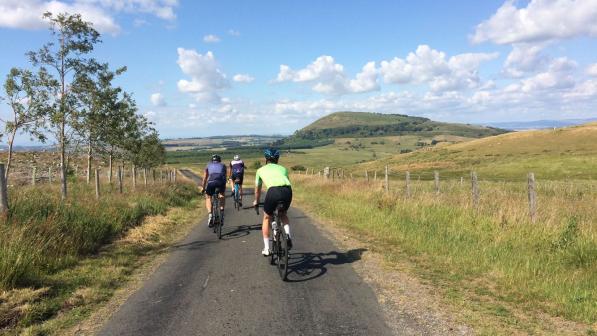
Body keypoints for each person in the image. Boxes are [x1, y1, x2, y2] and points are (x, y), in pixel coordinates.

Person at [253, 148, 293, 256]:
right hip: (287, 191)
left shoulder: (260, 170)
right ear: (277, 159)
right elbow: (286, 181)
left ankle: (267, 248)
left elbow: (257, 190)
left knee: (267, 217)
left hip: (273, 191)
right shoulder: (283, 168)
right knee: (283, 214)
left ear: (266, 159)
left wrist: (256, 201)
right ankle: (288, 236)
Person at [201, 154, 227, 227]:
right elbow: (224, 176)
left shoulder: (208, 165)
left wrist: (203, 188)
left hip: (211, 182)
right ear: (219, 160)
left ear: (212, 160)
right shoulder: (223, 165)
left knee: (208, 196)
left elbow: (205, 178)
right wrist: (223, 187)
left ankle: (210, 214)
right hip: (220, 182)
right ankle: (221, 211)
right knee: (222, 194)